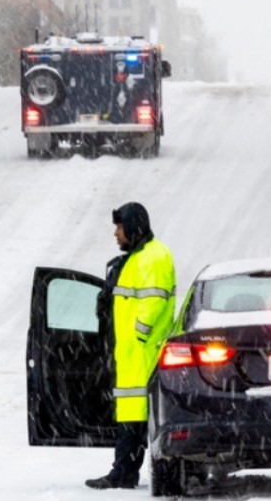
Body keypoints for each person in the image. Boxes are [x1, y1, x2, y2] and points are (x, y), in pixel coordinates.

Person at [85, 202, 176, 490]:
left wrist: (139, 334)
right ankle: (123, 471)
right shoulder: (138, 258)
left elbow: (154, 300)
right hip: (131, 355)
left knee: (134, 421)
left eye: (120, 227)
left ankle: (123, 473)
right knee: (131, 420)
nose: (115, 233)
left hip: (142, 354)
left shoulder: (154, 257)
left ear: (134, 227)